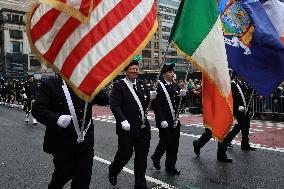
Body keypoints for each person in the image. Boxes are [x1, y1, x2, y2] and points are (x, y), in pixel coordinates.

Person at [32, 75, 107, 189]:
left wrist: (93, 85)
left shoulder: (85, 83)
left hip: (84, 142)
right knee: (62, 175)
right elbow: (37, 109)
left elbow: (105, 100)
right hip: (62, 142)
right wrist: (56, 118)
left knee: (83, 179)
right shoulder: (51, 84)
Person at [108, 56, 152, 189]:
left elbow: (147, 104)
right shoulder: (119, 85)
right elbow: (114, 105)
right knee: (125, 154)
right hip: (126, 127)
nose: (134, 71)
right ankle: (113, 170)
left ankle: (140, 184)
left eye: (136, 69)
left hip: (143, 127)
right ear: (126, 71)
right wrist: (122, 120)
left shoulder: (142, 84)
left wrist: (152, 97)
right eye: (132, 69)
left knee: (141, 157)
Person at [150, 62, 185, 175]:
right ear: (164, 74)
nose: (172, 73)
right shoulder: (159, 86)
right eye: (170, 72)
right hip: (164, 121)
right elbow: (156, 105)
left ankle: (170, 167)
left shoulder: (176, 85)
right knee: (165, 142)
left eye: (173, 72)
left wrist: (184, 96)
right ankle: (156, 156)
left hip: (174, 120)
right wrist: (161, 119)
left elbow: (180, 104)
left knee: (174, 144)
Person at [220, 72, 256, 151]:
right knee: (241, 125)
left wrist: (254, 88)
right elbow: (231, 98)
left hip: (245, 109)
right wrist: (237, 106)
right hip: (239, 109)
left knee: (246, 126)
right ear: (237, 76)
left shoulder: (242, 83)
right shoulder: (232, 84)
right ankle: (227, 140)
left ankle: (245, 144)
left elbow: (246, 94)